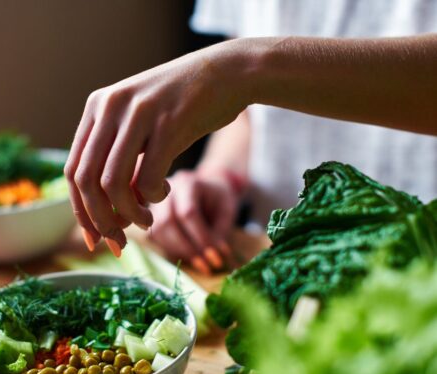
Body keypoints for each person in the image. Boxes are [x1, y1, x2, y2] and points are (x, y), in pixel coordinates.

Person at [64, 0, 437, 272]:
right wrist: (219, 176)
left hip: (422, 267)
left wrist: (246, 68)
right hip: (283, 263)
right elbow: (249, 115)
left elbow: (245, 82)